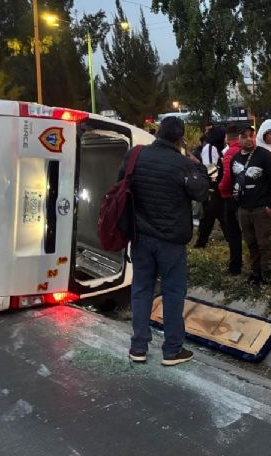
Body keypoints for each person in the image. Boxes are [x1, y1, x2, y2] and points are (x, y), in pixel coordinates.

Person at [121, 116, 209, 366]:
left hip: (141, 237)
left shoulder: (135, 156)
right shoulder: (182, 164)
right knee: (172, 293)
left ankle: (138, 347)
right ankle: (172, 350)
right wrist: (199, 166)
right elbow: (201, 192)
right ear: (180, 138)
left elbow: (122, 185)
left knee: (141, 290)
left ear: (158, 133)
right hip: (171, 241)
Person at [230, 126, 271, 285]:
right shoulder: (235, 159)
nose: (248, 139)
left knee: (264, 243)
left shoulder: (265, 155)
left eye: (251, 135)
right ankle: (255, 272)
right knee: (250, 242)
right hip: (244, 209)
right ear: (238, 139)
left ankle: (267, 274)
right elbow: (234, 183)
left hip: (261, 208)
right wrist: (236, 205)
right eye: (244, 136)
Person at [194, 126, 228, 248]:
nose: (225, 140)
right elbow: (209, 167)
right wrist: (215, 182)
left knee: (221, 214)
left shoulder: (216, 148)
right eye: (224, 137)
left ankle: (229, 237)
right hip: (212, 188)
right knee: (209, 216)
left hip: (216, 187)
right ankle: (200, 243)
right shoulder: (210, 148)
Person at [218, 124, 244, 275]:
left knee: (233, 233)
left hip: (231, 197)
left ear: (227, 137)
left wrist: (221, 188)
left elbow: (227, 177)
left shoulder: (230, 152)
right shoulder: (247, 149)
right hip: (248, 196)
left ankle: (235, 266)